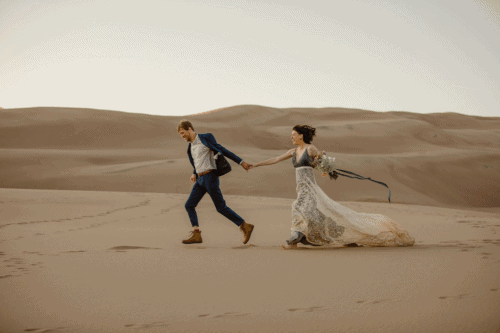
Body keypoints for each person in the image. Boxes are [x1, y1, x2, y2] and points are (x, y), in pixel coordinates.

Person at [249, 125, 415, 250]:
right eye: (291, 135)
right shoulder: (293, 151)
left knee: (298, 207)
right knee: (319, 212)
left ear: (301, 135)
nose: (291, 137)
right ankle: (343, 236)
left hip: (309, 187)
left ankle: (294, 241)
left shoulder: (310, 148)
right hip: (300, 187)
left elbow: (322, 166)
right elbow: (276, 159)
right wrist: (256, 165)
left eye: (294, 135)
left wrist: (325, 165)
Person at [178, 120, 254, 244]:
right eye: (180, 134)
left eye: (183, 133)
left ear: (190, 129)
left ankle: (245, 226)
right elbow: (198, 161)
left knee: (220, 207)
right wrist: (194, 173)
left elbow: (222, 149)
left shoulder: (205, 138)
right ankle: (196, 234)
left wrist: (241, 162)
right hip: (200, 179)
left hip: (210, 177)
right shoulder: (190, 146)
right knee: (189, 205)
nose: (182, 136)